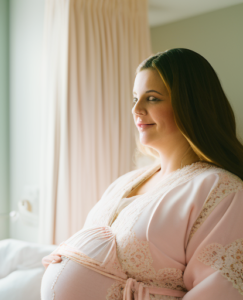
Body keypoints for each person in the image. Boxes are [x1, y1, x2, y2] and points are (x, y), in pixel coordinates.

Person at [40, 48, 243, 300]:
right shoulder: (124, 182)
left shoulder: (219, 189)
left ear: (191, 105)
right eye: (135, 98)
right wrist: (69, 257)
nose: (136, 109)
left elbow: (219, 289)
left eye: (152, 98)